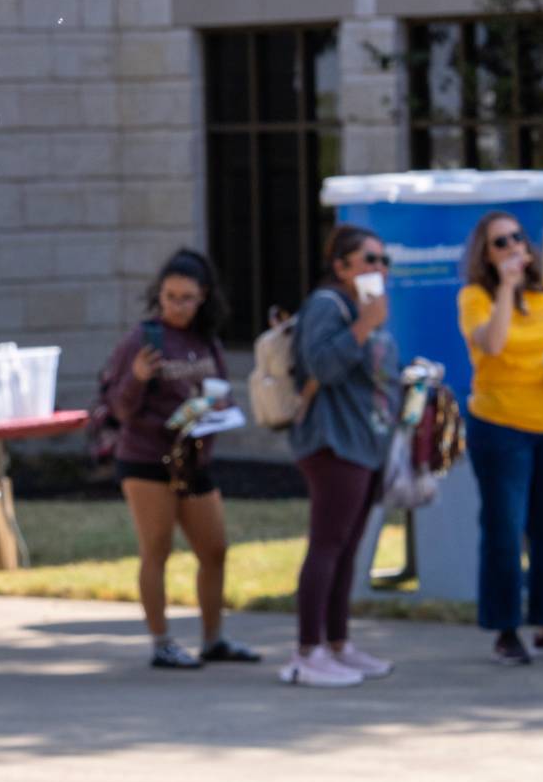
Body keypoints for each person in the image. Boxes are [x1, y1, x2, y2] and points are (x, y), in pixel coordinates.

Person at [103, 249, 256, 670]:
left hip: (194, 460)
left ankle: (213, 639)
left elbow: (221, 390)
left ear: (203, 296)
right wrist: (136, 378)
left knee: (215, 549)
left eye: (187, 298)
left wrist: (218, 409)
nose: (177, 306)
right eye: (170, 297)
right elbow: (118, 407)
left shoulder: (205, 340)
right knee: (156, 550)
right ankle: (162, 642)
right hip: (147, 458)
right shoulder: (143, 340)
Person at [459, 210, 543, 666]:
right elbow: (491, 345)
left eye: (517, 237)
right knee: (504, 529)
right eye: (500, 242)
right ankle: (505, 630)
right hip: (500, 429)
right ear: (486, 254)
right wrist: (507, 289)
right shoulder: (475, 297)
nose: (513, 245)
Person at [282, 225, 401, 688]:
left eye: (383, 261)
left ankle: (338, 645)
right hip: (333, 443)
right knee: (327, 544)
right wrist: (365, 326)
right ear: (342, 267)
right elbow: (322, 366)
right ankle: (306, 653)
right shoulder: (327, 306)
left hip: (364, 442)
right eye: (369, 260)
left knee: (348, 548)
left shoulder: (360, 309)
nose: (379, 269)